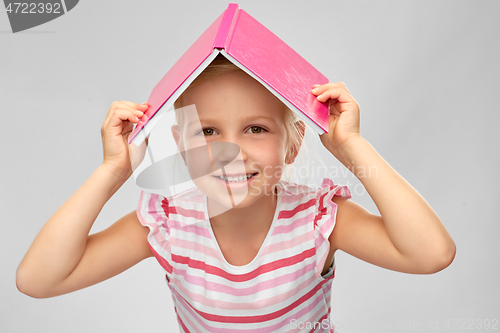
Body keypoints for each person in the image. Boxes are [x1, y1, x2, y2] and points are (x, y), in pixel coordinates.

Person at [16, 55, 456, 332]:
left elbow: (430, 254)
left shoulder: (318, 218)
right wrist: (112, 171)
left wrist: (351, 146)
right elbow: (39, 280)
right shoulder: (168, 223)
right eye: (207, 131)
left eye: (256, 128)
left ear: (294, 143)